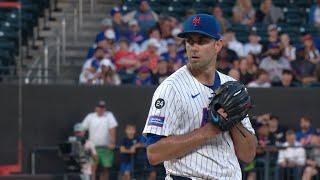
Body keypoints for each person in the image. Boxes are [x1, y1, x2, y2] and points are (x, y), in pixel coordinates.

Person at [142, 14, 257, 179]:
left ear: (218, 45)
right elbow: (154, 153)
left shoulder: (232, 87)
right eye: (190, 41)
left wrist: (232, 121)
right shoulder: (171, 88)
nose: (194, 47)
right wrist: (209, 130)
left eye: (202, 41)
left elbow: (248, 154)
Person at [81, 100, 118, 180]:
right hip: (93, 148)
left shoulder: (109, 115)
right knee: (92, 168)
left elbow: (112, 129)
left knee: (105, 169)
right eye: (99, 107)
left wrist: (112, 142)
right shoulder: (90, 116)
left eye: (103, 107)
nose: (101, 109)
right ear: (96, 108)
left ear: (105, 109)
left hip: (106, 148)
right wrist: (82, 142)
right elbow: (82, 130)